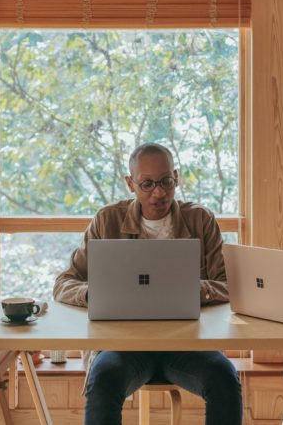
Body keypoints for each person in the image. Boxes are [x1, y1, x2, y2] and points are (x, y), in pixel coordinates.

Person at [54, 142, 242, 425]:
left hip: (188, 343)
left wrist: (195, 290)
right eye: (148, 184)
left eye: (166, 181)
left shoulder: (200, 220)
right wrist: (93, 294)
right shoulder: (107, 221)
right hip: (124, 345)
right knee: (102, 380)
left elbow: (229, 285)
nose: (160, 192)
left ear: (176, 177)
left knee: (225, 379)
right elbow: (64, 282)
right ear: (130, 183)